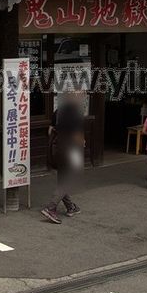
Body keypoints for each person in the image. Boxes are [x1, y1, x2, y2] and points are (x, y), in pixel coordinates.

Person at [42, 93, 84, 224]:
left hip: (56, 147)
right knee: (68, 179)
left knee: (62, 179)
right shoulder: (76, 114)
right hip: (70, 148)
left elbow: (50, 131)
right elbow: (78, 136)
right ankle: (51, 208)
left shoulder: (58, 112)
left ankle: (70, 207)